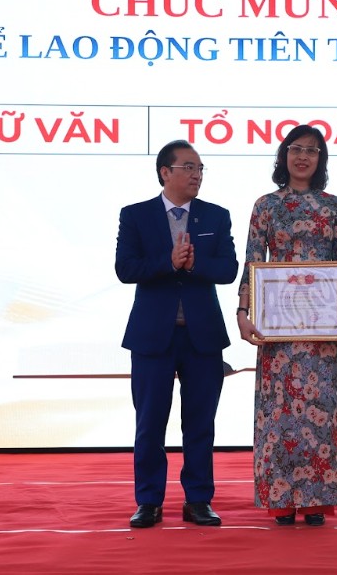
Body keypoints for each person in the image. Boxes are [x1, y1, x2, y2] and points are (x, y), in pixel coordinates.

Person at [236, 125, 337, 527]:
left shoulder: (334, 206)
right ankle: (281, 501)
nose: (303, 156)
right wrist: (243, 311)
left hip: (323, 325)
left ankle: (317, 501)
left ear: (321, 159)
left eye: (312, 150)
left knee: (321, 409)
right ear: (284, 155)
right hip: (278, 323)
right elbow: (253, 261)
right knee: (279, 414)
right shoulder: (266, 206)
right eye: (296, 149)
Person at [115, 140, 239, 528]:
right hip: (152, 335)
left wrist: (194, 264)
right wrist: (167, 262)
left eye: (200, 168)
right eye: (189, 167)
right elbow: (125, 269)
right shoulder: (136, 215)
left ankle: (198, 500)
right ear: (165, 172)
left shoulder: (216, 216)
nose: (197, 174)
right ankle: (149, 501)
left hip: (202, 337)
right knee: (150, 424)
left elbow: (228, 270)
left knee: (200, 424)